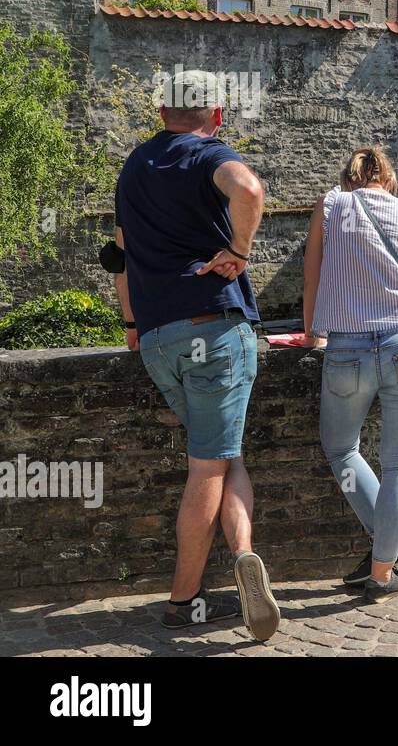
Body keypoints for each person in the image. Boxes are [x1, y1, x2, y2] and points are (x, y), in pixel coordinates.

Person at [113, 69, 280, 640]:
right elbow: (250, 190)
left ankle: (243, 556)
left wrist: (133, 322)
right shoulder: (208, 155)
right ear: (216, 116)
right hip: (212, 326)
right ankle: (184, 601)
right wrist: (239, 250)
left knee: (222, 451)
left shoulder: (134, 167)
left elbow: (120, 256)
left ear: (161, 115)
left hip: (158, 336)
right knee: (208, 464)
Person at [302, 147, 398, 604]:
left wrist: (310, 333)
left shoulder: (331, 206)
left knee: (341, 448)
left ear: (349, 180)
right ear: (390, 180)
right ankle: (383, 570)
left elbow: (313, 277)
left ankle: (390, 551)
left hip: (349, 349)